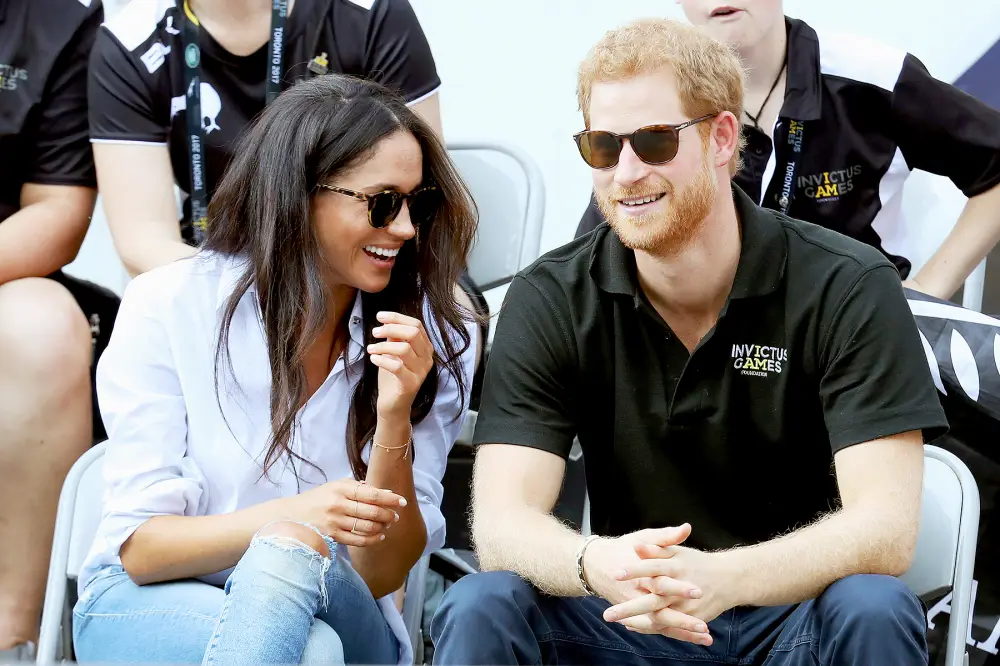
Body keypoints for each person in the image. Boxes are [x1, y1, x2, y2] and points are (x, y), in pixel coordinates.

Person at [431, 18, 949, 666]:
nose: (625, 173)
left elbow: (886, 531)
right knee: (482, 604)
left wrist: (722, 579)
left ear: (722, 138)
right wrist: (595, 563)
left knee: (875, 607)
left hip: (788, 624)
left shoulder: (848, 285)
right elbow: (504, 527)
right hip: (626, 622)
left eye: (652, 142)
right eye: (601, 145)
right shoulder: (552, 295)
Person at [72, 74, 479, 665]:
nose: (406, 228)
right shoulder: (169, 305)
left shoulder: (434, 338)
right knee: (308, 643)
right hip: (148, 603)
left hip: (343, 609)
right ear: (299, 194)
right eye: (383, 202)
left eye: (419, 203)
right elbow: (141, 549)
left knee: (294, 561)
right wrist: (296, 518)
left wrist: (393, 418)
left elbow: (384, 571)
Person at [89, 0, 486, 395]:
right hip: (225, 268)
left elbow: (417, 189)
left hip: (376, 265)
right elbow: (142, 240)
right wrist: (269, 288)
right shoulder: (130, 40)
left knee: (452, 324)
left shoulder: (368, 12)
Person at [574, 0, 1000, 302]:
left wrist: (927, 291)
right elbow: (590, 253)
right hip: (709, 347)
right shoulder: (656, 100)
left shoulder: (873, 75)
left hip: (854, 335)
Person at [0, 0, 117, 660]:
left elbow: (57, 213)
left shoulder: (61, 22)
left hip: (7, 273)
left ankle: (16, 638)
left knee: (43, 327)